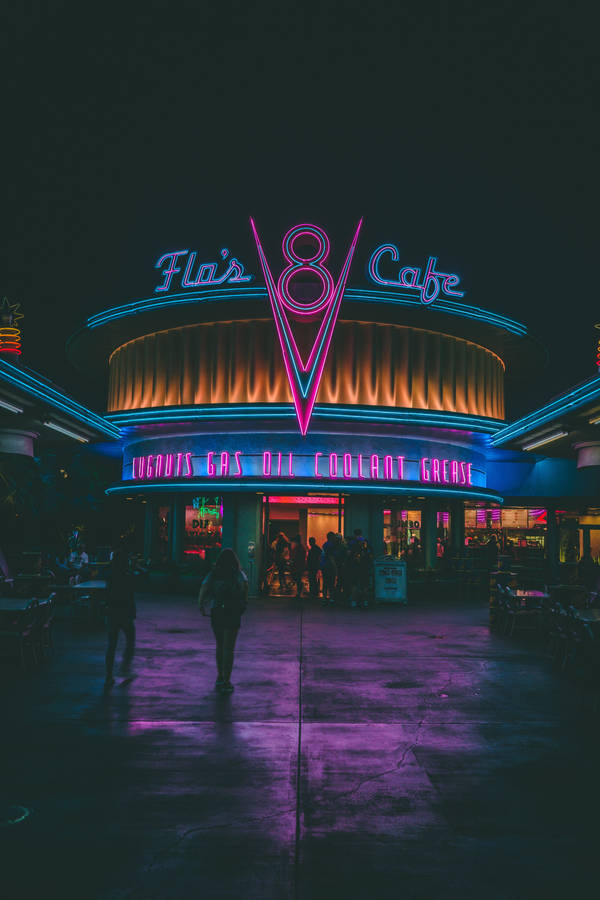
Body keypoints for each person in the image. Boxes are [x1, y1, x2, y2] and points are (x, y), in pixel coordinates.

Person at [199, 548, 248, 693]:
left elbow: (204, 587)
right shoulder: (238, 574)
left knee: (219, 646)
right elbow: (245, 588)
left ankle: (219, 676)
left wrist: (200, 604)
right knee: (229, 648)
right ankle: (227, 679)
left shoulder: (214, 573)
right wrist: (243, 604)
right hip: (233, 611)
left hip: (217, 610)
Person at [104, 548, 136, 688]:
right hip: (123, 612)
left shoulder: (110, 574)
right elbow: (130, 595)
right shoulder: (126, 575)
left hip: (112, 611)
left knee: (112, 645)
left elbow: (108, 592)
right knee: (130, 639)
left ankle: (109, 675)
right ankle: (125, 667)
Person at [320, 532, 337, 605]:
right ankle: (331, 598)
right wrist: (335, 567)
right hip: (329, 566)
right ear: (331, 537)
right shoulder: (331, 545)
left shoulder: (324, 545)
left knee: (325, 582)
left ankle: (324, 597)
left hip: (324, 566)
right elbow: (331, 557)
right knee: (331, 582)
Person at [290, 535, 307, 599]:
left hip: (297, 565)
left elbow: (294, 557)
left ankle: (299, 592)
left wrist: (292, 562)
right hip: (300, 565)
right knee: (298, 578)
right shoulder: (302, 548)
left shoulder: (297, 548)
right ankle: (299, 592)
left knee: (297, 579)